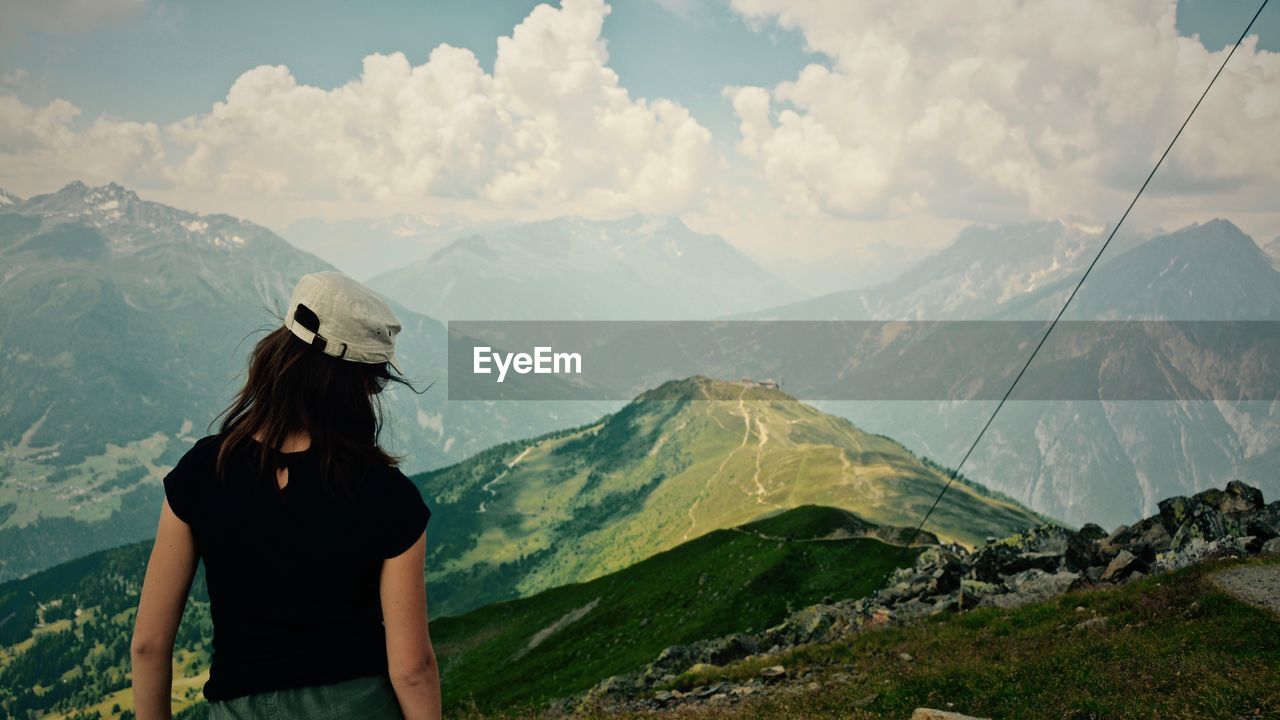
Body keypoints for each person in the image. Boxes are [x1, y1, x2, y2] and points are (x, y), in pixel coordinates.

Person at [130, 271, 442, 720]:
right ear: (357, 385)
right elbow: (412, 667)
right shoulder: (388, 496)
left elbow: (148, 645)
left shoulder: (201, 471)